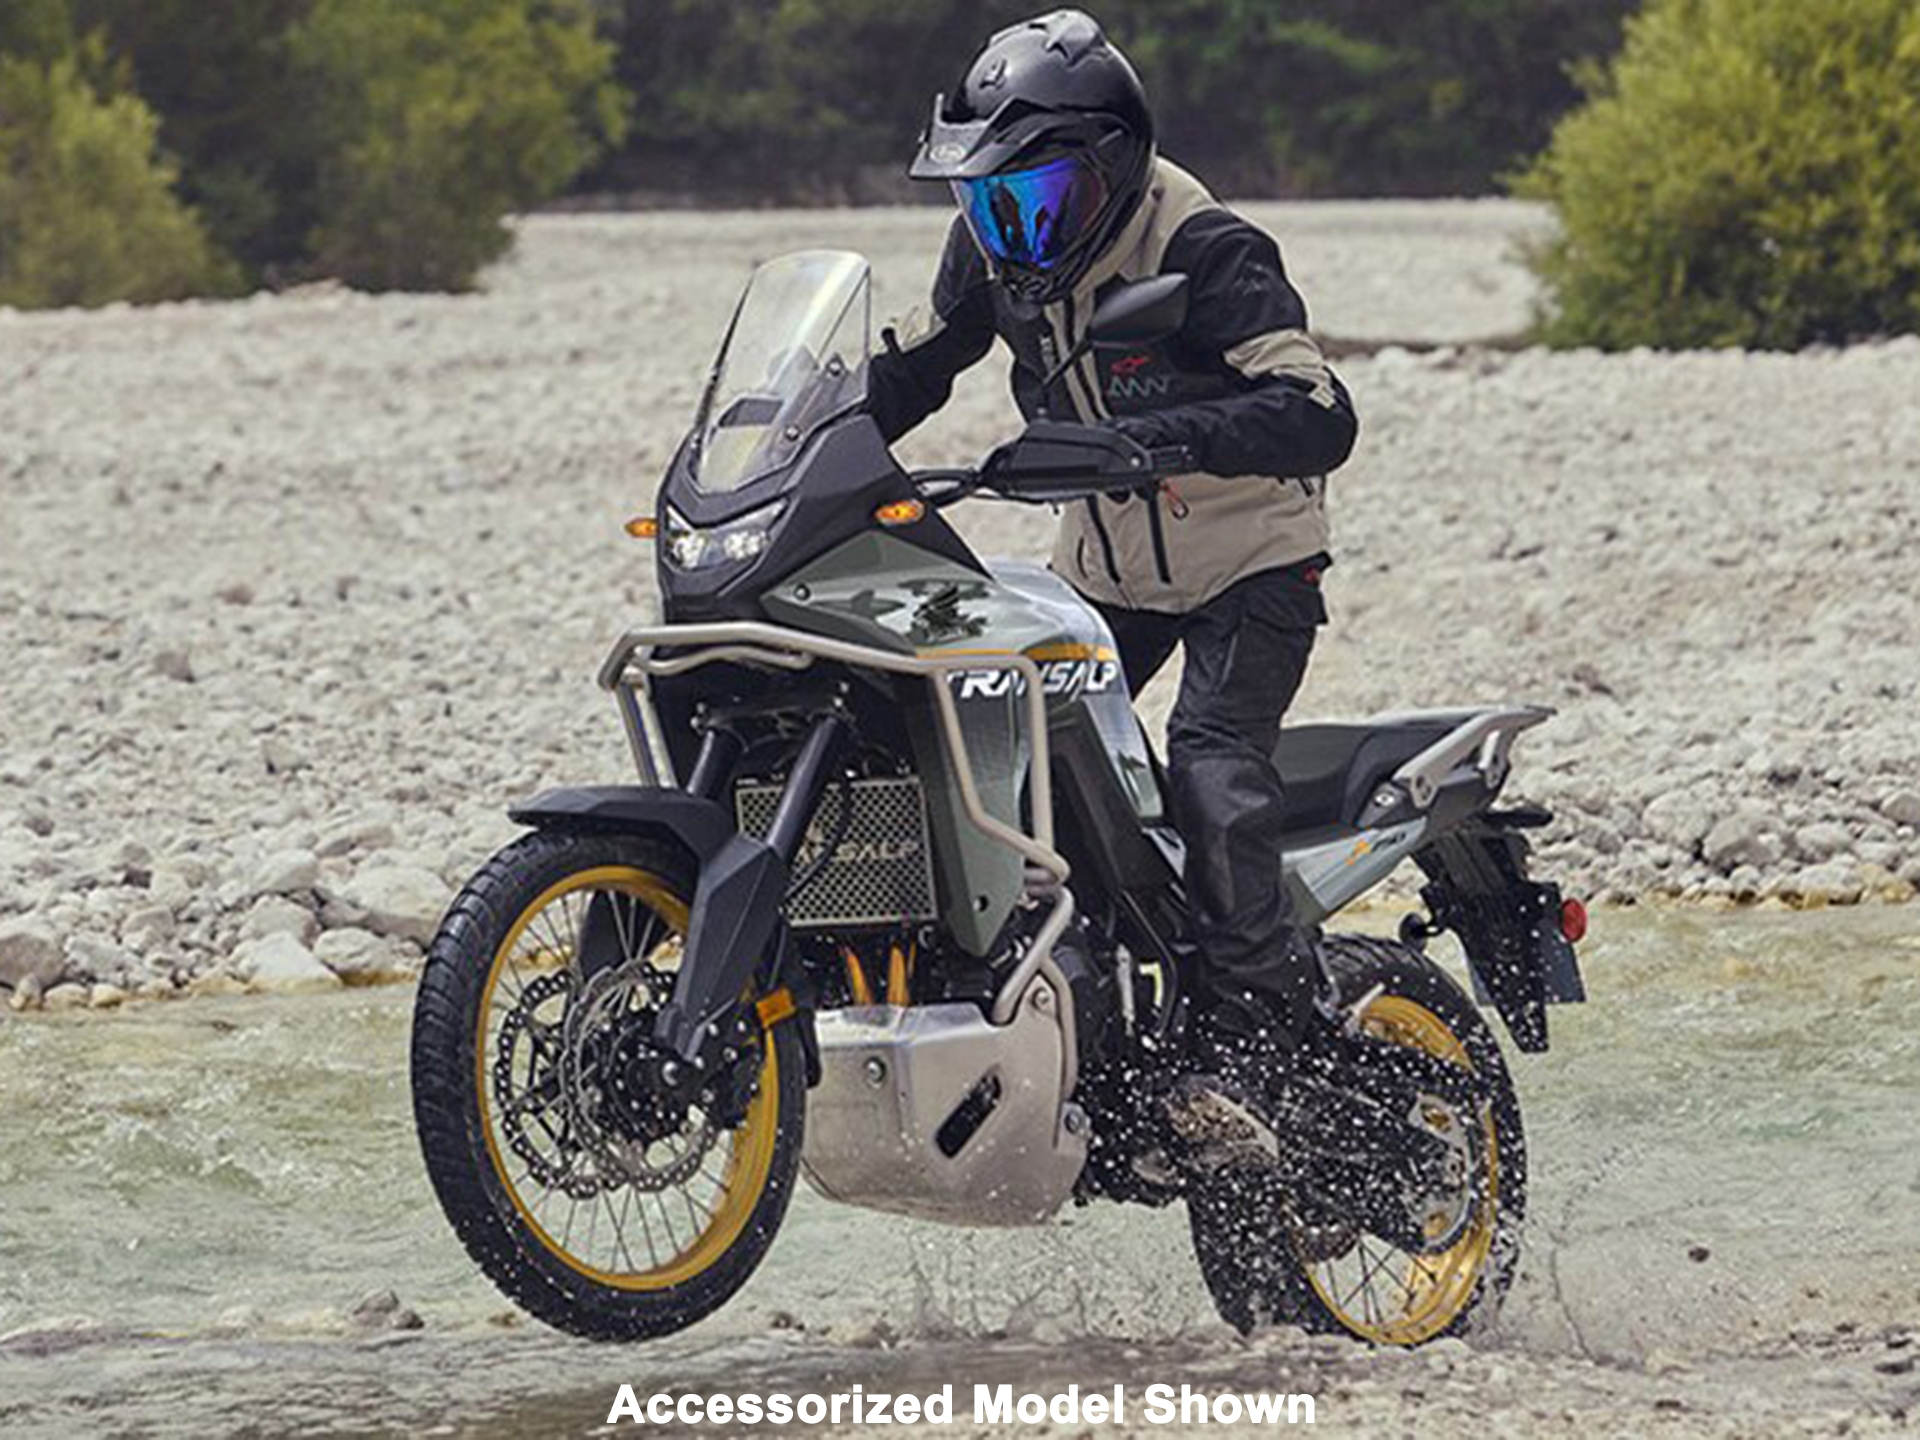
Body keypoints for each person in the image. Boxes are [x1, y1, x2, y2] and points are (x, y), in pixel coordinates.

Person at [867, 9, 1359, 1140]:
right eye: (989, 201)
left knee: (1211, 768)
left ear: (1114, 164)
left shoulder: (1206, 247)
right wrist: (798, 437)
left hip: (1251, 563)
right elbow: (918, 361)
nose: (1015, 230)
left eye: (1037, 198)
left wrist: (1173, 437)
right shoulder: (995, 250)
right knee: (1006, 758)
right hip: (1100, 569)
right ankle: (1081, 1005)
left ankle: (1258, 1051)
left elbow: (1319, 410)